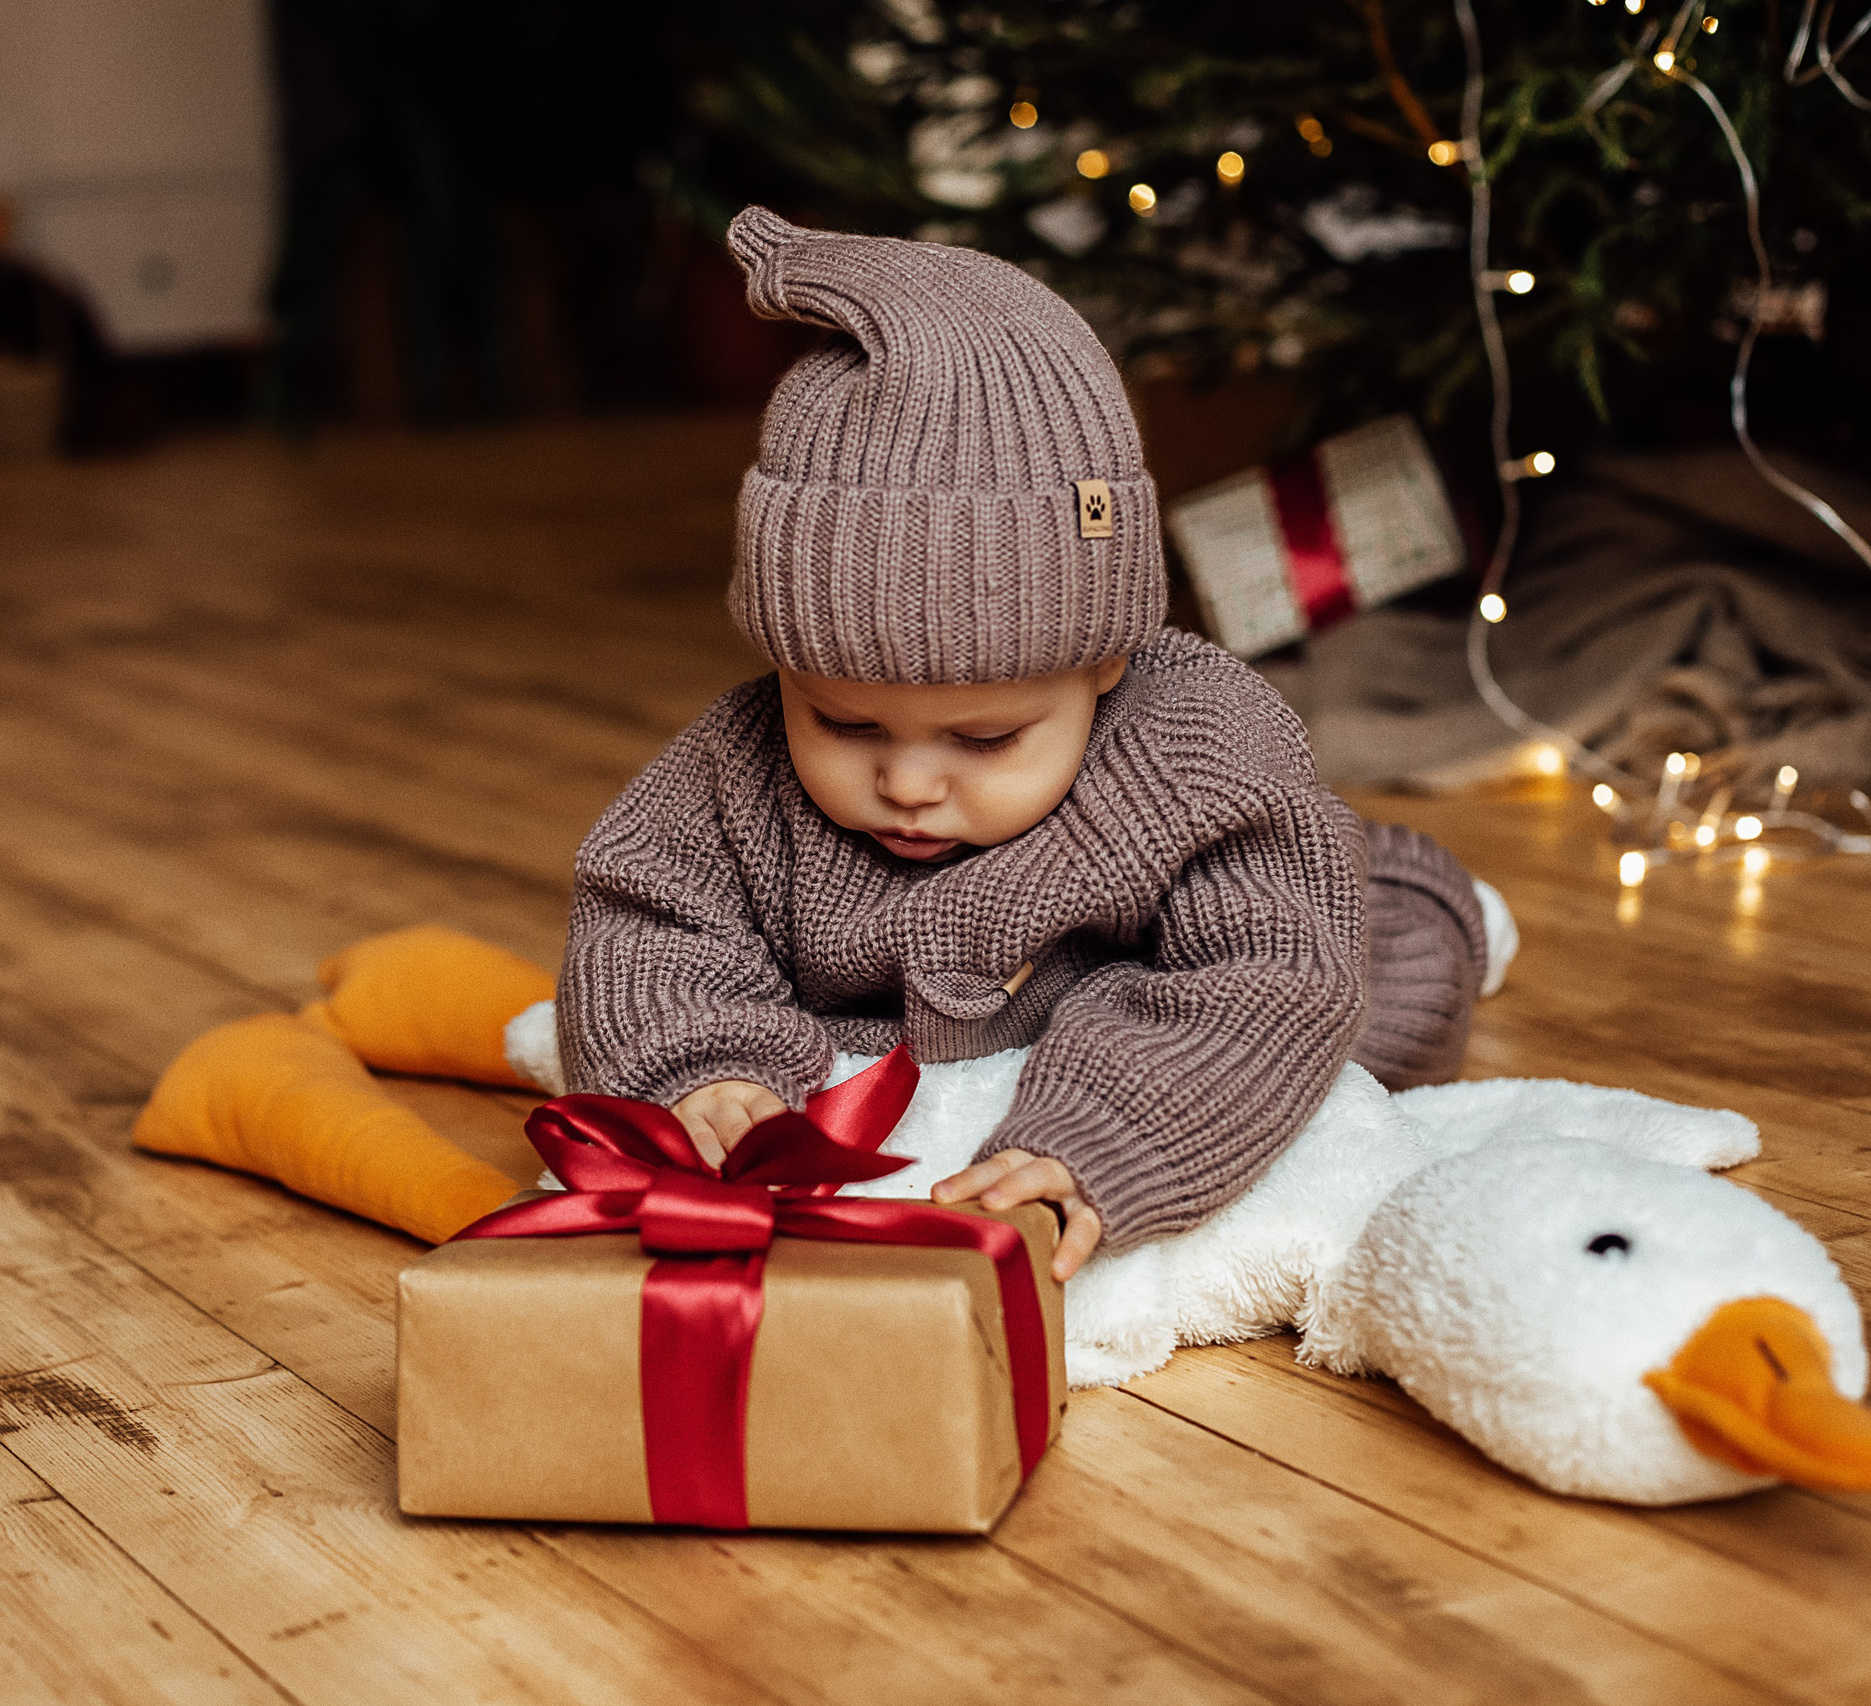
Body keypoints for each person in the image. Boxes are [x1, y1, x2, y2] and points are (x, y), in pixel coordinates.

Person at [555, 207, 1501, 1284]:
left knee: (1370, 1025)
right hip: (952, 1014)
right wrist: (703, 1071)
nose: (907, 781)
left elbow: (1262, 977)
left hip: (1276, 944)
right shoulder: (730, 771)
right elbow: (648, 927)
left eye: (985, 736)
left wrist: (1097, 1138)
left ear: (1106, 660)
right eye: (843, 720)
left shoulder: (1196, 754)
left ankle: (1424, 892)